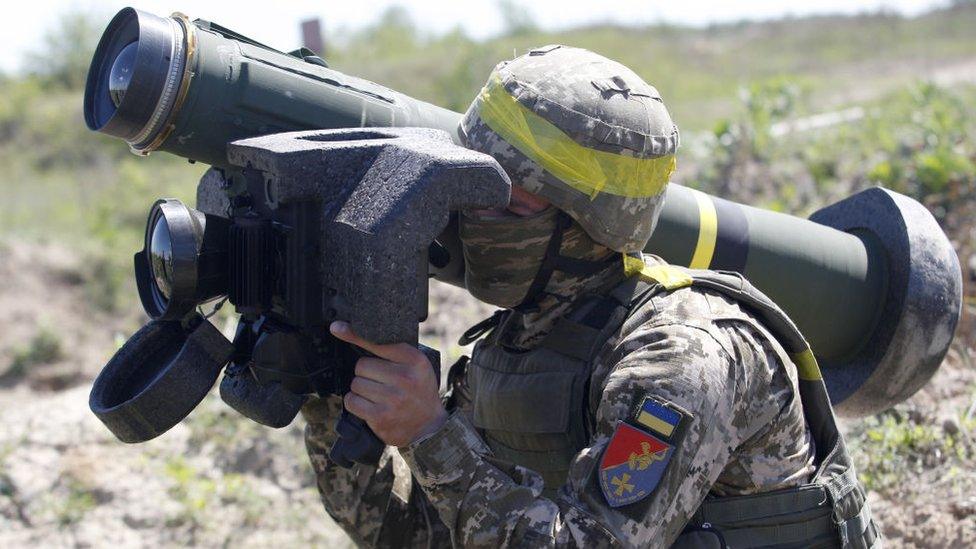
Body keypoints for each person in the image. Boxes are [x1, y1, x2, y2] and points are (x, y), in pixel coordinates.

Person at [301, 45, 880, 548]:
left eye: (504, 202)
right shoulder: (524, 338)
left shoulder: (681, 357)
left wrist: (429, 435)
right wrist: (333, 397)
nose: (469, 218)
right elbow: (420, 537)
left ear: (587, 225)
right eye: (468, 189)